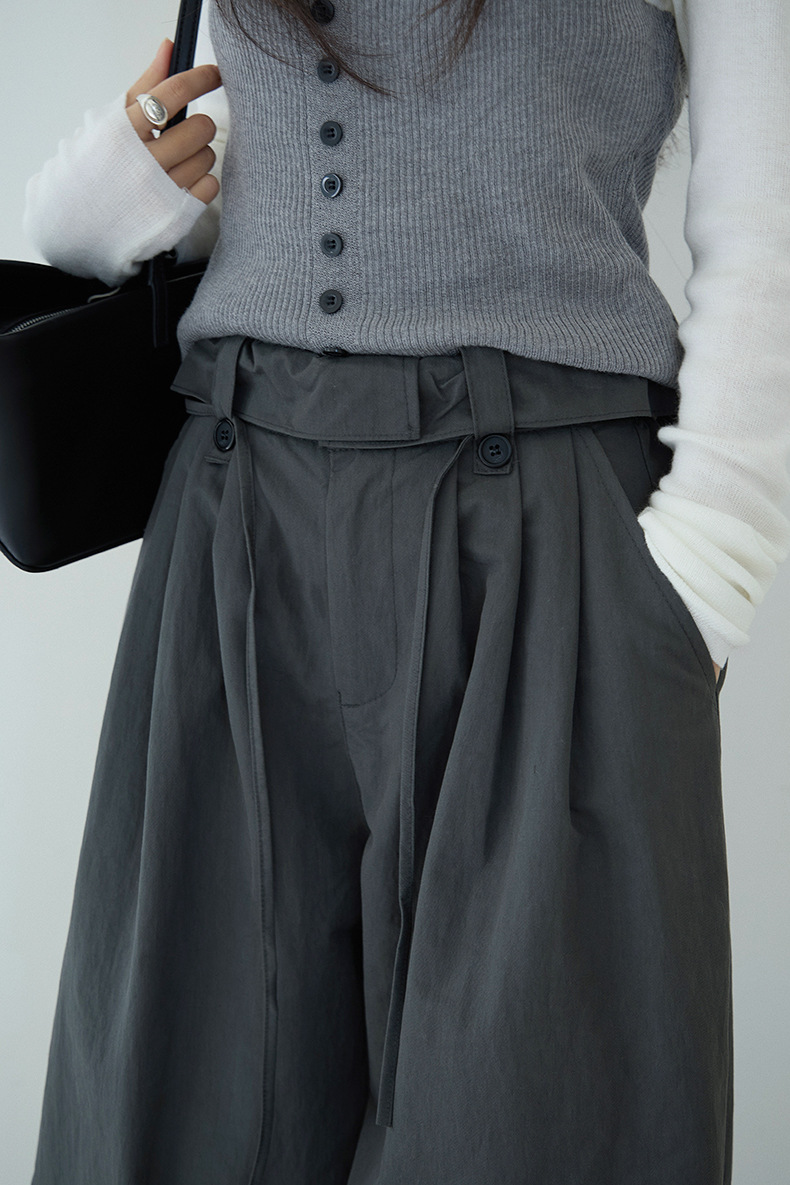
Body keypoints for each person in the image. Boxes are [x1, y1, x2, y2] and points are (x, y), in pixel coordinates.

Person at [20, 1, 790, 1182]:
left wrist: (702, 577)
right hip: (238, 524)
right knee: (177, 1122)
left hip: (552, 552)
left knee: (534, 1127)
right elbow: (138, 194)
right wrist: (120, 183)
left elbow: (765, 219)